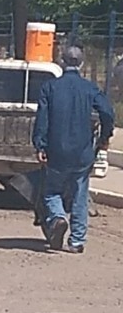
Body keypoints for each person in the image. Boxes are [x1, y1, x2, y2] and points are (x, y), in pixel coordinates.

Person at [32, 45, 115, 253]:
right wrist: (105, 137)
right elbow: (107, 112)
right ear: (82, 63)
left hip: (56, 150)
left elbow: (42, 120)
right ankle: (77, 241)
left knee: (51, 192)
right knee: (80, 194)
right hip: (82, 151)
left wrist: (40, 144)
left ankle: (58, 217)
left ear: (62, 61)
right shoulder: (90, 88)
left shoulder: (50, 88)